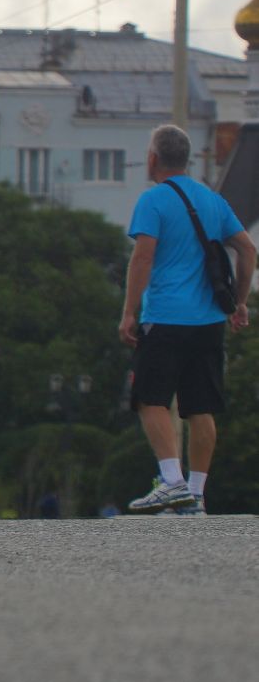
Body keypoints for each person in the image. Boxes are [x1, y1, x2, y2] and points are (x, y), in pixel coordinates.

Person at [119, 124, 255, 516]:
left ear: (153, 158)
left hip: (165, 318)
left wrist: (130, 310)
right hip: (209, 321)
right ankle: (196, 493)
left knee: (149, 398)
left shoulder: (154, 201)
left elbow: (143, 256)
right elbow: (247, 250)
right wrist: (239, 302)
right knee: (201, 407)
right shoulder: (212, 200)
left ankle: (172, 482)